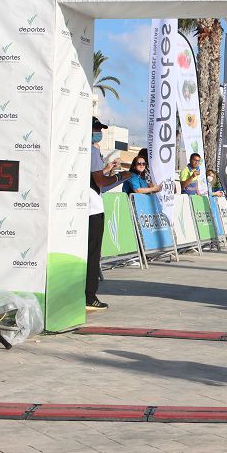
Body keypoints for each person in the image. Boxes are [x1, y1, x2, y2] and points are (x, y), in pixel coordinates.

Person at [86, 117, 130, 311]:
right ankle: (89, 296)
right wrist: (122, 175)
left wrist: (107, 170)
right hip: (93, 208)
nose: (99, 132)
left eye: (100, 129)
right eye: (96, 129)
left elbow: (96, 178)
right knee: (93, 254)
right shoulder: (93, 150)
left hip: (80, 206)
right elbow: (101, 183)